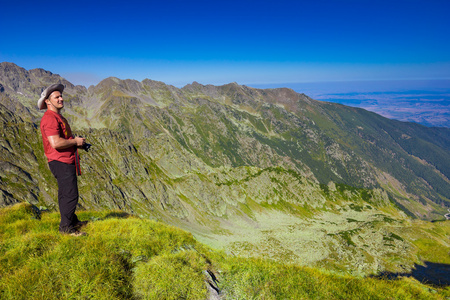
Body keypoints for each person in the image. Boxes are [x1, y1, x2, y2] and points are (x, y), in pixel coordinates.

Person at [38, 83, 88, 236]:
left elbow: (62, 139)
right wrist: (75, 142)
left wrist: (76, 142)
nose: (61, 99)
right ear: (47, 101)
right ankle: (66, 229)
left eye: (61, 96)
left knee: (65, 193)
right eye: (57, 97)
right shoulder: (50, 118)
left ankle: (72, 221)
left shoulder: (57, 117)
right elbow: (56, 143)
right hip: (61, 161)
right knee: (70, 194)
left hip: (63, 160)